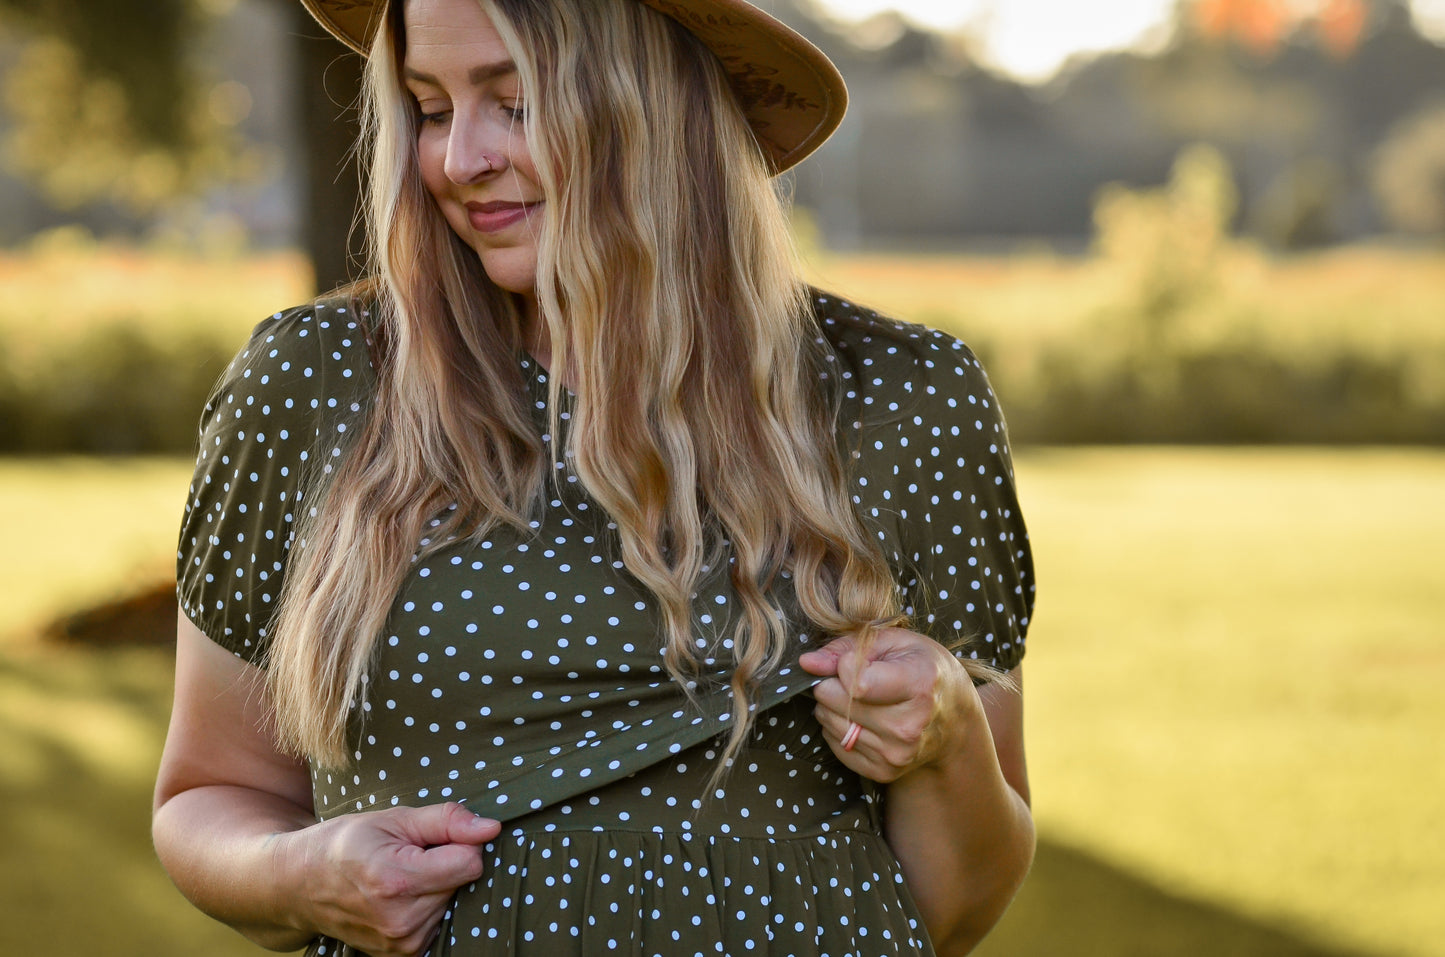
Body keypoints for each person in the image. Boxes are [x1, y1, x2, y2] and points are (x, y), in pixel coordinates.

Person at [152, 0, 1037, 955]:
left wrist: (946, 741)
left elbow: (953, 908)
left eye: (516, 102)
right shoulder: (318, 380)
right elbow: (208, 791)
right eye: (432, 108)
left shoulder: (901, 398)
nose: (458, 161)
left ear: (656, 102)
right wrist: (302, 875)